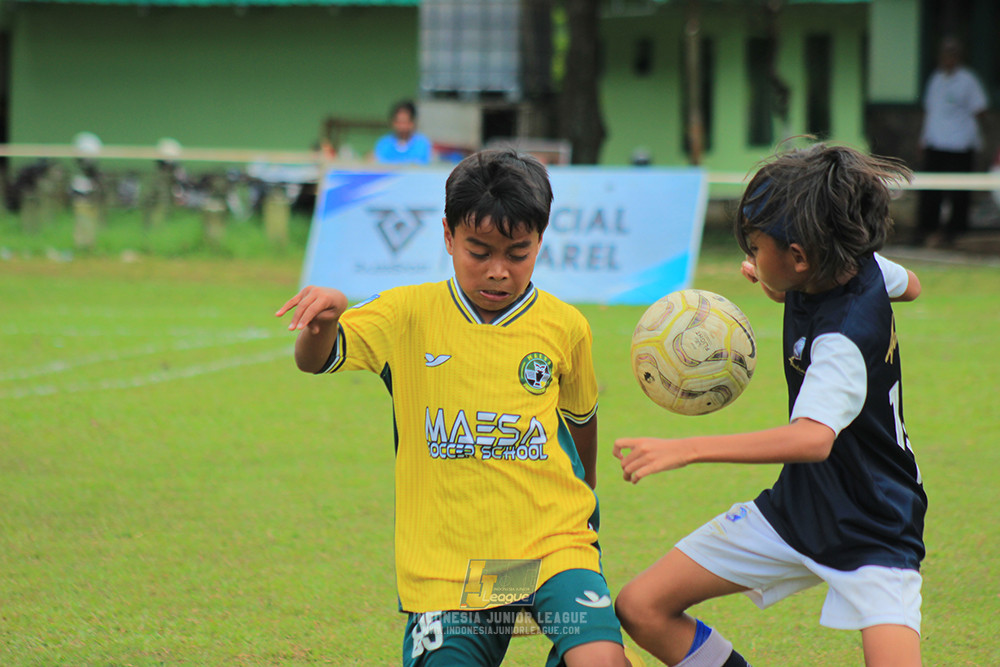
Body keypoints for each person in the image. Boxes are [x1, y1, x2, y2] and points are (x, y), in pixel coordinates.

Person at [276, 149, 630, 667]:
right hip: (454, 569)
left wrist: (586, 510)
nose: (497, 272)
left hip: (551, 552)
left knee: (599, 659)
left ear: (539, 242)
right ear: (447, 236)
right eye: (478, 251)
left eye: (517, 253)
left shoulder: (565, 326)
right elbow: (316, 360)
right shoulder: (406, 314)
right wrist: (323, 321)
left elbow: (581, 421)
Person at [612, 143, 926, 667]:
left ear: (799, 256)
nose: (752, 260)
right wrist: (779, 285)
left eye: (757, 249)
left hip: (875, 527)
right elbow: (910, 286)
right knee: (642, 606)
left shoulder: (842, 343)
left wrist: (688, 448)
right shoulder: (851, 261)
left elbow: (811, 438)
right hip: (797, 509)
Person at [915, 36, 989, 247]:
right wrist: (923, 139)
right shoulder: (936, 79)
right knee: (930, 189)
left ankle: (957, 231)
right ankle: (926, 229)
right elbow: (930, 112)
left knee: (959, 190)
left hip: (959, 143)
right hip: (936, 141)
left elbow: (980, 109)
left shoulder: (968, 80)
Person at [373, 99, 433, 165]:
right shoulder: (384, 143)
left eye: (405, 122)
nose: (402, 127)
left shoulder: (422, 143)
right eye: (398, 122)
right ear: (393, 123)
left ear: (412, 123)